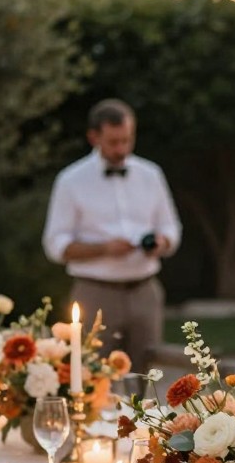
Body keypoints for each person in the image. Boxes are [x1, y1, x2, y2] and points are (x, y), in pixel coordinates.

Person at [42, 99, 181, 372]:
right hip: (95, 292)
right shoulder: (71, 180)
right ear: (94, 137)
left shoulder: (150, 175)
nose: (122, 149)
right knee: (88, 374)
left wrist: (161, 243)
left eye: (127, 140)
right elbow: (55, 244)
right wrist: (104, 249)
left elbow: (171, 228)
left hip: (144, 290)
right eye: (114, 142)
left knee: (146, 375)